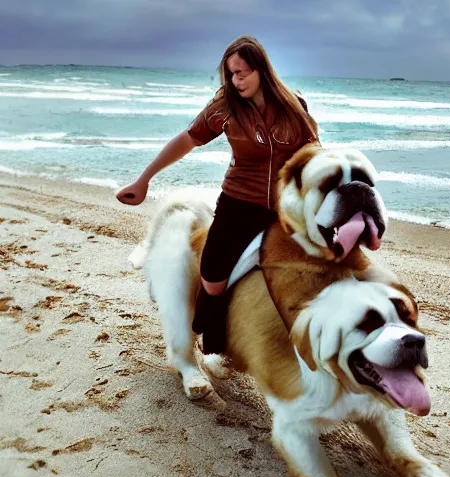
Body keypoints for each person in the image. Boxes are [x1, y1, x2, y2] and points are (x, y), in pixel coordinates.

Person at [116, 35, 319, 354]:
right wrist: (144, 179)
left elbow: (314, 153)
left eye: (242, 73)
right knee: (212, 277)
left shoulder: (294, 105)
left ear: (261, 70)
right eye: (231, 74)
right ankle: (207, 322)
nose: (236, 81)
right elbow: (187, 140)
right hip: (239, 204)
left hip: (284, 208)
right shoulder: (225, 106)